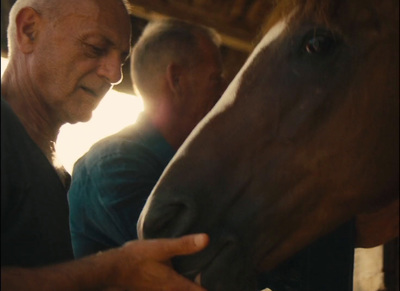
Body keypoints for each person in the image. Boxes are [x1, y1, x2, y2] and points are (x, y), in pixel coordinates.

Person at [1, 0, 210, 290]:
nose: (115, 75)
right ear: (29, 30)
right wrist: (111, 271)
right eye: (95, 48)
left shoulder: (53, 170)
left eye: (121, 60)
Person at [68, 19, 226, 257]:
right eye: (216, 80)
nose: (225, 92)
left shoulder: (185, 165)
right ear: (177, 79)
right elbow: (196, 260)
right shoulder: (115, 164)